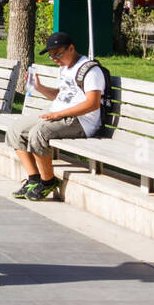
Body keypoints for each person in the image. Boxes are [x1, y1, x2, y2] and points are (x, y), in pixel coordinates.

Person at [7, 31, 104, 202]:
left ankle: (48, 181)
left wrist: (59, 114)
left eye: (58, 54)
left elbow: (93, 103)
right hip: (58, 114)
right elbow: (61, 96)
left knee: (39, 132)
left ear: (71, 48)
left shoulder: (90, 70)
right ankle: (34, 179)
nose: (55, 60)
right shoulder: (64, 68)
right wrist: (39, 88)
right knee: (16, 129)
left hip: (81, 121)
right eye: (52, 57)